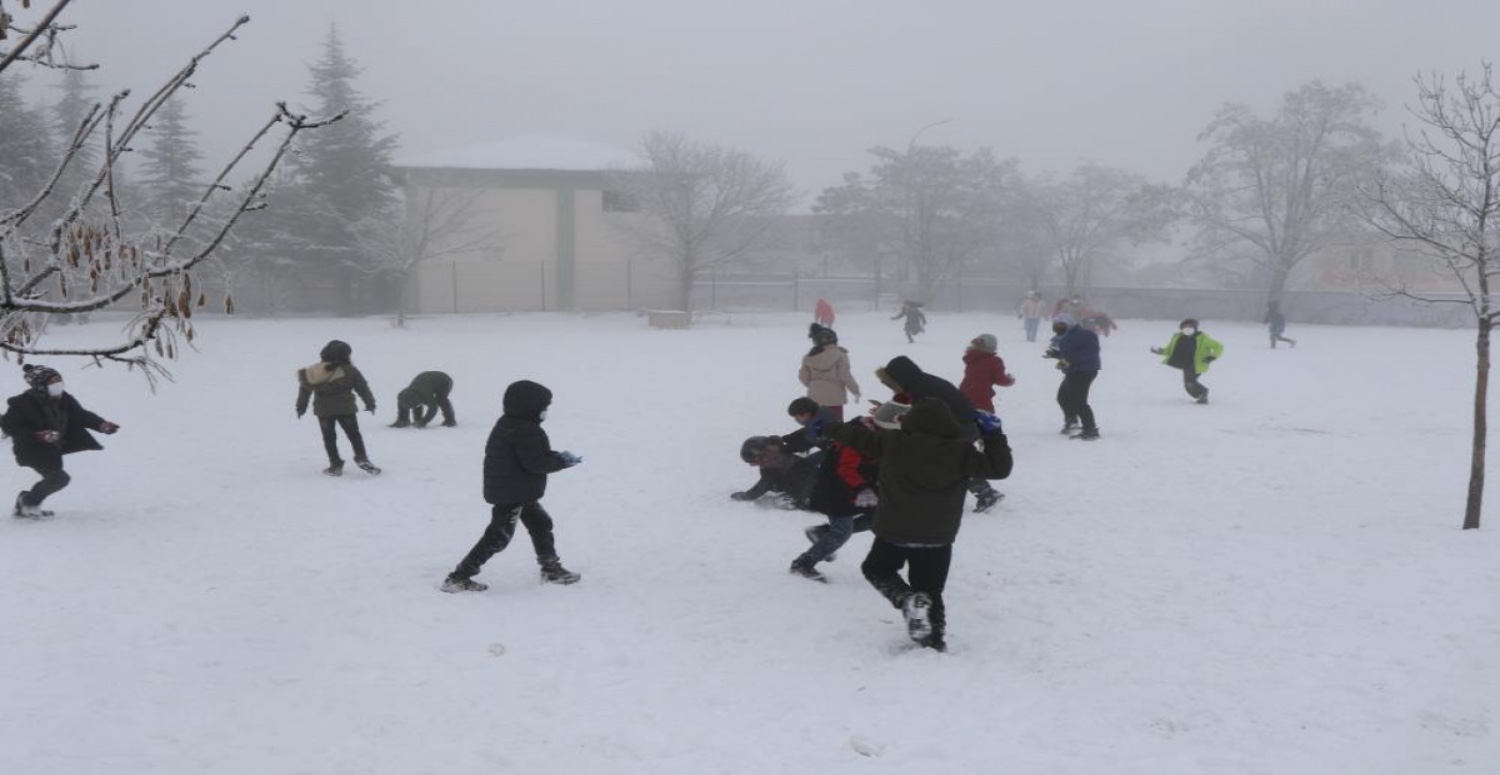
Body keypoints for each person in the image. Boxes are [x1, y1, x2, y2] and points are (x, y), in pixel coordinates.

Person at [821, 397, 1013, 652]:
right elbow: (999, 469)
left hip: (894, 531)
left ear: (911, 420)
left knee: (877, 569)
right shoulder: (962, 451)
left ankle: (907, 599)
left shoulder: (893, 442)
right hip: (938, 536)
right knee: (931, 589)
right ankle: (933, 641)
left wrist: (828, 427)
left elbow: (857, 438)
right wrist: (994, 435)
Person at [442, 380, 582, 592]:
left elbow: (532, 456)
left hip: (516, 490)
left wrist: (556, 456)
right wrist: (562, 462)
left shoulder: (511, 423)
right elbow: (536, 464)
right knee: (499, 536)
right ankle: (459, 577)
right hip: (512, 493)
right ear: (530, 407)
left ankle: (551, 568)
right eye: (544, 407)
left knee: (541, 524)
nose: (545, 411)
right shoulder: (527, 430)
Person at [873, 356, 1004, 512]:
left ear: (899, 378)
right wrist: (887, 411)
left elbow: (918, 417)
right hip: (964, 424)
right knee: (949, 461)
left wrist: (890, 417)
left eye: (890, 383)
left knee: (948, 461)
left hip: (961, 426)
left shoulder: (921, 390)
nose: (890, 387)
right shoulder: (921, 383)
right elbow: (912, 413)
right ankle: (984, 492)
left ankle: (985, 493)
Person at [1, 364, 120, 518]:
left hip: (52, 447)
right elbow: (9, 426)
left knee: (56, 477)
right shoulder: (22, 404)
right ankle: (27, 503)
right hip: (31, 449)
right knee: (59, 478)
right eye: (52, 382)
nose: (58, 384)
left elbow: (80, 415)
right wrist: (37, 435)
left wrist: (101, 424)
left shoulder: (64, 398)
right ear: (40, 386)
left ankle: (27, 503)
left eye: (59, 380)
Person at [788, 408, 888, 583]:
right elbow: (845, 468)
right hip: (836, 489)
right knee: (841, 531)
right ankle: (803, 564)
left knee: (877, 518)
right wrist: (862, 489)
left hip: (857, 485)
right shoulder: (858, 437)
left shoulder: (878, 433)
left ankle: (822, 532)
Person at [295, 340, 380, 476]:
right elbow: (362, 388)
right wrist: (370, 403)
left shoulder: (313, 371)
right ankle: (362, 458)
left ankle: (335, 464)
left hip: (324, 411)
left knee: (329, 438)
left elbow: (304, 390)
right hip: (346, 409)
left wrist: (301, 407)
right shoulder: (350, 370)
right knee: (354, 435)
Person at [1044, 313, 1102, 440]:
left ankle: (1090, 429)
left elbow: (1090, 353)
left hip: (1084, 371)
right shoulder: (1067, 336)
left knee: (1078, 401)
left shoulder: (1086, 335)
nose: (1057, 327)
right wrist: (1055, 354)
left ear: (1069, 324)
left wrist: (1067, 360)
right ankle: (1072, 421)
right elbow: (1068, 354)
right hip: (1073, 370)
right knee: (1063, 397)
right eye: (1056, 325)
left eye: (1061, 325)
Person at [730, 435, 818, 511]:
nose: (754, 465)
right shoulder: (779, 454)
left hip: (810, 487)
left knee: (781, 501)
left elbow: (763, 485)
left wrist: (746, 496)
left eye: (754, 462)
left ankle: (803, 501)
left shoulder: (773, 467)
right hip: (812, 478)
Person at [1151, 318, 1224, 404]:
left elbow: (1219, 346)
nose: (1187, 329)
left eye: (1190, 326)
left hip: (1197, 364)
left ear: (1195, 328)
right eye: (1185, 327)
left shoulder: (1203, 339)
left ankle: (1203, 393)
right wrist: (1160, 351)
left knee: (1190, 381)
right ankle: (1201, 396)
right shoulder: (1177, 338)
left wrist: (1212, 356)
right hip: (1185, 363)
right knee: (1187, 384)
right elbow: (1169, 350)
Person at [800, 324, 860, 421]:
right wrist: (855, 391)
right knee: (835, 427)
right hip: (834, 399)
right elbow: (845, 376)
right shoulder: (840, 355)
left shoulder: (808, 358)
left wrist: (814, 385)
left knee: (816, 426)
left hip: (815, 398)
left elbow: (803, 378)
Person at [959, 334, 1015, 414]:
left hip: (963, 393)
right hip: (981, 396)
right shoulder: (994, 361)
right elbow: (999, 379)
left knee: (964, 416)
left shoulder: (971, 358)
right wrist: (1009, 380)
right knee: (985, 420)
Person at [391, 370, 456, 428]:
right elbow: (405, 402)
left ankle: (450, 420)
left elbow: (433, 407)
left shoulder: (426, 394)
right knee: (405, 401)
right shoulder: (404, 394)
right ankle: (403, 420)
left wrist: (424, 421)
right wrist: (404, 418)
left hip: (444, 381)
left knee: (441, 399)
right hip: (426, 382)